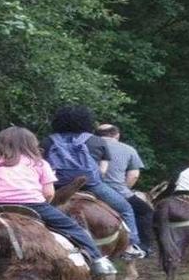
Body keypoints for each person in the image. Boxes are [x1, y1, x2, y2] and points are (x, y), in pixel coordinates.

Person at [0, 126, 116, 276]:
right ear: (31, 143)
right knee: (73, 228)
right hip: (33, 205)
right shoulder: (39, 163)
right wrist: (45, 202)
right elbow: (49, 193)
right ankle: (98, 261)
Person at [41, 106, 145, 259]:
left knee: (34, 213)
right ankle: (130, 246)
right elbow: (102, 170)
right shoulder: (96, 141)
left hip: (57, 187)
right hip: (91, 185)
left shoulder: (47, 141)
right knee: (126, 208)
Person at [95, 123, 155, 255]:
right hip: (117, 190)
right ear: (117, 135)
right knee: (145, 212)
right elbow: (133, 175)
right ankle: (140, 246)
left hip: (86, 188)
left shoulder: (88, 146)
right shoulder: (128, 149)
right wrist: (125, 188)